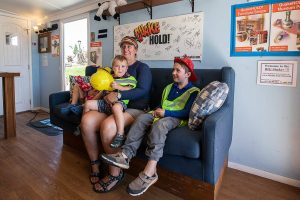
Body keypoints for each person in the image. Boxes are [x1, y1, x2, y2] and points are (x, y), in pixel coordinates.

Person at [100, 56, 200, 196]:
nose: (173, 73)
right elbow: (162, 104)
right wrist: (155, 111)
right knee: (141, 118)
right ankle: (125, 155)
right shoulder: (169, 87)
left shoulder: (193, 91)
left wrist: (165, 113)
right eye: (173, 70)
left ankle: (149, 173)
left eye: (178, 70)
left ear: (187, 74)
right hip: (161, 113)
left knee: (160, 125)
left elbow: (186, 112)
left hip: (175, 117)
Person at [80, 36, 152, 192]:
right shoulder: (115, 67)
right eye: (123, 46)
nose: (126, 49)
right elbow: (106, 84)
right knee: (86, 121)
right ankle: (95, 163)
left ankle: (115, 173)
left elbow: (143, 91)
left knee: (108, 126)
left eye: (130, 46)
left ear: (136, 49)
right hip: (111, 106)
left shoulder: (142, 68)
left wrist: (119, 96)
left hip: (135, 109)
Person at [75, 55, 137, 148]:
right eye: (117, 66)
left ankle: (120, 133)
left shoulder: (130, 78)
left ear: (127, 68)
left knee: (116, 107)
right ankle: (81, 125)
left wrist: (119, 87)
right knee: (87, 104)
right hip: (104, 102)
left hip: (119, 103)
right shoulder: (109, 77)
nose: (120, 69)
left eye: (123, 66)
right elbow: (101, 77)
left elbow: (131, 89)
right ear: (113, 67)